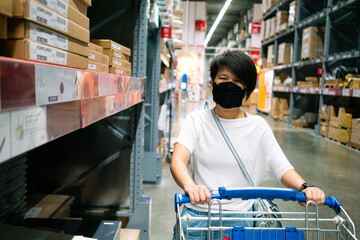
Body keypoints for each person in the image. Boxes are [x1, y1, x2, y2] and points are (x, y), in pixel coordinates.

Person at [170, 50, 325, 239]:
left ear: (246, 90)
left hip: (240, 220)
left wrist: (305, 188)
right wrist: (191, 186)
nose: (229, 85)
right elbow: (178, 160)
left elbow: (282, 167)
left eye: (237, 81)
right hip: (197, 217)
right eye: (223, 78)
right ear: (212, 83)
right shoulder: (197, 120)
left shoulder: (258, 126)